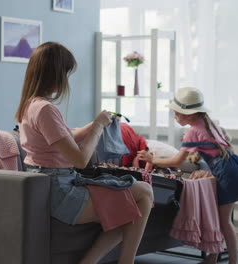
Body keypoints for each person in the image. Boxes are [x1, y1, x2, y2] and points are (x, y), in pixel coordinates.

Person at [14, 42, 154, 264]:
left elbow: (65, 136)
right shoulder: (45, 109)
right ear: (55, 74)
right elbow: (80, 160)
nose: (67, 80)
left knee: (133, 204)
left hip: (54, 185)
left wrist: (95, 123)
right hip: (61, 192)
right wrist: (98, 128)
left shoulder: (31, 106)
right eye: (66, 74)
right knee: (144, 193)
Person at [137, 87, 238, 264]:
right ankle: (213, 256)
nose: (175, 117)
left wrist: (151, 159)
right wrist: (212, 171)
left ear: (188, 115)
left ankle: (233, 261)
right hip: (232, 167)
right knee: (220, 218)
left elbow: (177, 161)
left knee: (224, 221)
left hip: (226, 173)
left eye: (176, 113)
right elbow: (223, 149)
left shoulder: (193, 131)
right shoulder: (207, 122)